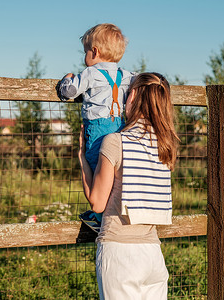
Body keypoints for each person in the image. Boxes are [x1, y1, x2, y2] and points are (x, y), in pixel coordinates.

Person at [78, 72, 179, 299]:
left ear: (132, 95)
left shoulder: (116, 141)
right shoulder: (165, 146)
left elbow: (97, 202)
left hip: (120, 253)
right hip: (153, 254)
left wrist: (83, 159)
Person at [56, 23, 135, 226]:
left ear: (95, 51)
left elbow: (70, 92)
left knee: (95, 166)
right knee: (115, 171)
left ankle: (100, 216)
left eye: (85, 51)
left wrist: (68, 78)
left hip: (98, 129)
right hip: (120, 127)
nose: (85, 57)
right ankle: (110, 211)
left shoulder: (90, 73)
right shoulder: (127, 76)